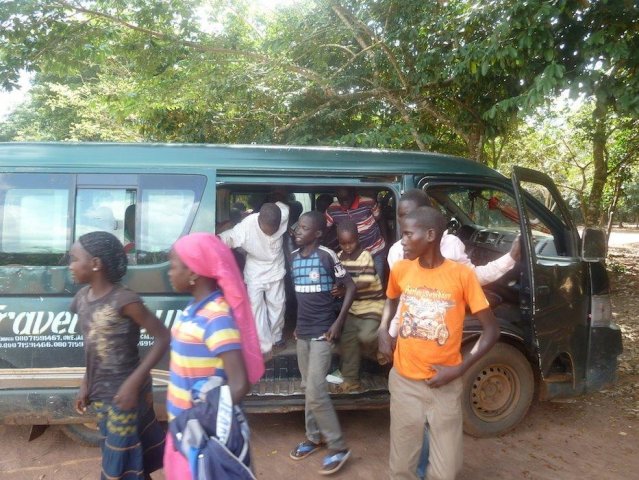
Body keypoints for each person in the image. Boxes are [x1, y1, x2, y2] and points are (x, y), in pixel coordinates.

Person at [379, 207, 499, 480]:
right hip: (405, 382)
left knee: (447, 472)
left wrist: (459, 369)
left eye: (408, 234)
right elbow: (391, 298)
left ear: (431, 235)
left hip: (444, 384)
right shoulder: (401, 269)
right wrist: (383, 329)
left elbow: (491, 331)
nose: (402, 241)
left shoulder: (461, 275)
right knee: (401, 468)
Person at [164, 232, 264, 480]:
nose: (169, 273)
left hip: (199, 433)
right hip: (182, 427)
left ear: (194, 272)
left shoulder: (216, 318)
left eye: (173, 267)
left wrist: (194, 418)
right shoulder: (193, 309)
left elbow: (240, 383)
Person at [69, 231, 169, 480]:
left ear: (95, 264)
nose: (70, 266)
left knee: (118, 468)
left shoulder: (125, 300)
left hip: (125, 398)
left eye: (74, 258)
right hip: (102, 397)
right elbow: (93, 349)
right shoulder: (81, 299)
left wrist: (132, 384)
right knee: (129, 462)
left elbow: (163, 338)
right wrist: (85, 383)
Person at [288, 211, 355, 475]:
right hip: (303, 333)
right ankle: (314, 437)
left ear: (316, 233)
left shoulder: (328, 255)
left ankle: (338, 447)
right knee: (308, 387)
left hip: (323, 333)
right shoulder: (293, 259)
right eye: (297, 227)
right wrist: (295, 325)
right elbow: (298, 298)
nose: (297, 231)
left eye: (304, 228)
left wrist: (338, 322)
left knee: (315, 389)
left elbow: (350, 287)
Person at [220, 202, 289, 354]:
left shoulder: (283, 213)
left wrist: (278, 197)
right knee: (256, 308)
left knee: (278, 305)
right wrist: (214, 239)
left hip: (276, 269)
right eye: (268, 231)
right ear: (259, 221)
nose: (271, 233)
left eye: (275, 230)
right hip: (255, 272)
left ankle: (276, 337)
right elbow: (228, 237)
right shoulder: (246, 227)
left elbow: (283, 205)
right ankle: (264, 346)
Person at [330, 220, 385, 392]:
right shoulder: (338, 258)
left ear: (358, 238)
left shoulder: (365, 256)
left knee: (367, 337)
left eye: (351, 242)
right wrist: (337, 288)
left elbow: (365, 283)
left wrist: (345, 289)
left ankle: (382, 349)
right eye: (343, 243)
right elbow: (339, 280)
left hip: (372, 305)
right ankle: (351, 379)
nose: (347, 247)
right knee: (349, 342)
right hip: (353, 309)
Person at [325, 187, 387, 280]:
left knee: (378, 282)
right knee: (356, 284)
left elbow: (380, 220)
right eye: (340, 200)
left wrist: (386, 241)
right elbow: (325, 229)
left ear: (354, 194)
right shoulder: (332, 209)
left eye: (346, 199)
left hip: (376, 250)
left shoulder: (369, 202)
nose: (344, 203)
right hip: (352, 256)